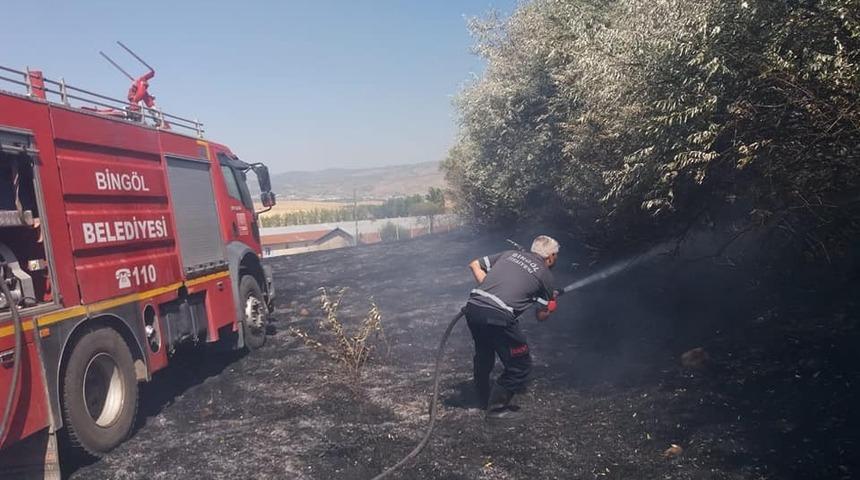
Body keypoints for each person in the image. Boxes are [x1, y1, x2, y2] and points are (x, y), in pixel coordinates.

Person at [465, 235, 559, 420]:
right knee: (520, 364)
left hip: (473, 308)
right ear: (550, 256)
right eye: (556, 256)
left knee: (484, 353)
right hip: (499, 316)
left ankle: (481, 397)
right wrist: (552, 305)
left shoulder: (510, 254)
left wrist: (488, 292)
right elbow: (541, 316)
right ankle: (496, 410)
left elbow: (474, 264)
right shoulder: (545, 275)